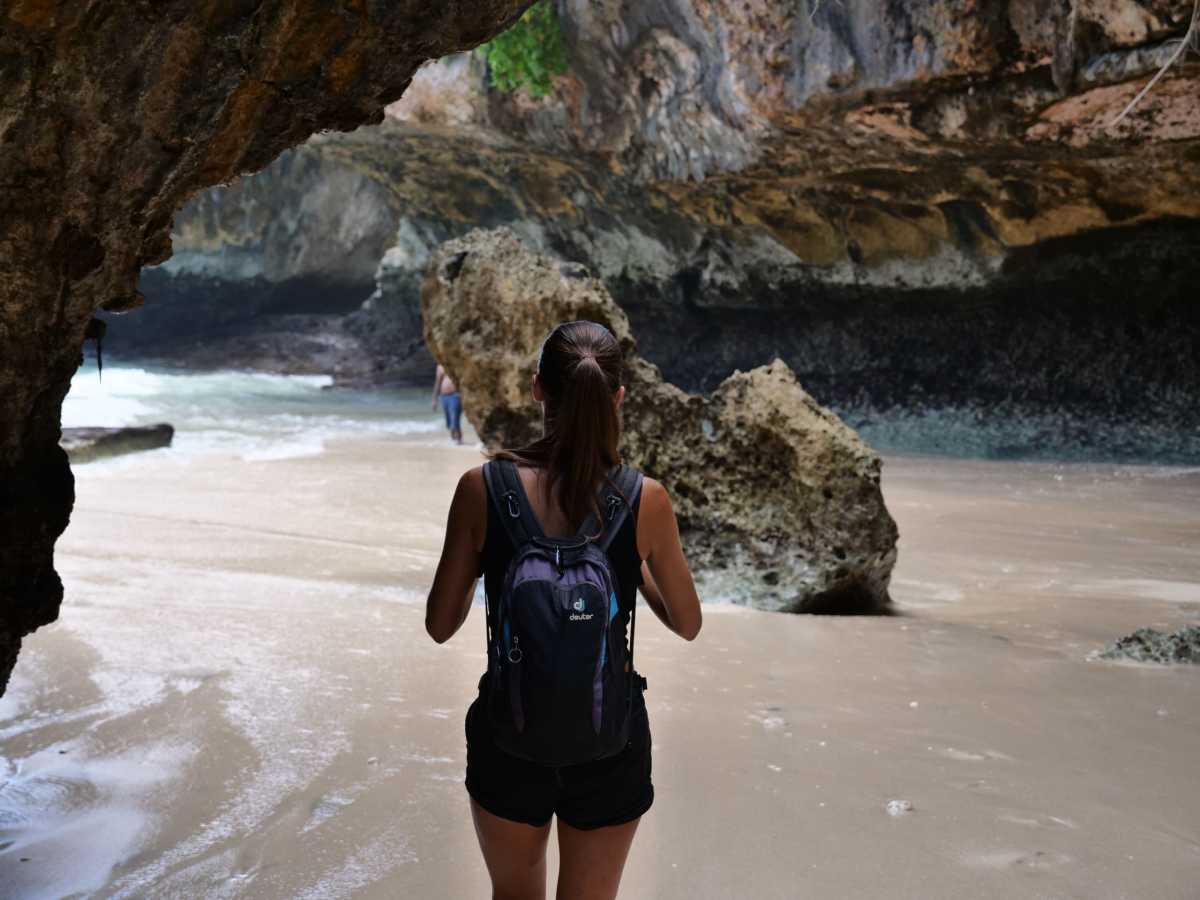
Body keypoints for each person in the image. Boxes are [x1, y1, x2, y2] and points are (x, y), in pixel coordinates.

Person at [425, 320, 702, 900]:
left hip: (509, 736)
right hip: (611, 741)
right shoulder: (644, 498)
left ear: (537, 389)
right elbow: (687, 623)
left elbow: (440, 625)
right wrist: (635, 568)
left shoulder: (482, 488)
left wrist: (489, 562)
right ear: (617, 398)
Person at [432, 363, 463, 444]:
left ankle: (459, 439)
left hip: (455, 395)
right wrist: (434, 399)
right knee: (449, 420)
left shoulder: (455, 363)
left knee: (454, 418)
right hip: (444, 396)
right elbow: (438, 383)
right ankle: (453, 439)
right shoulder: (440, 366)